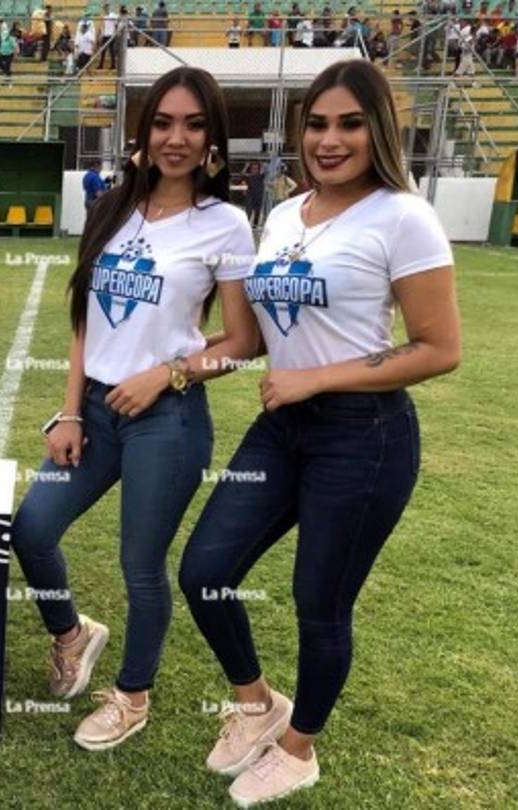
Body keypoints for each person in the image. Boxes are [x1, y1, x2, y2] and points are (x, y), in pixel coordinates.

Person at [179, 59, 461, 806]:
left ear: (379, 131)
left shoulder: (404, 215)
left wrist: (319, 377)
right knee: (204, 570)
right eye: (317, 124)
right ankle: (256, 703)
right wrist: (192, 355)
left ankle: (299, 749)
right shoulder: (283, 213)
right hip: (283, 426)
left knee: (319, 603)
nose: (330, 140)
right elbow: (275, 328)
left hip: (363, 437)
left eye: (349, 123)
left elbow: (439, 348)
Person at [11, 66, 261, 752]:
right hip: (94, 409)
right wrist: (68, 413)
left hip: (167, 419)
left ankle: (131, 697)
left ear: (213, 137)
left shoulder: (225, 223)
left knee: (140, 567)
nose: (175, 138)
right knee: (31, 528)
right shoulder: (111, 209)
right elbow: (84, 321)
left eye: (192, 124)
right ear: (142, 131)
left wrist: (167, 375)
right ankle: (72, 633)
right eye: (162, 123)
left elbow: (245, 340)